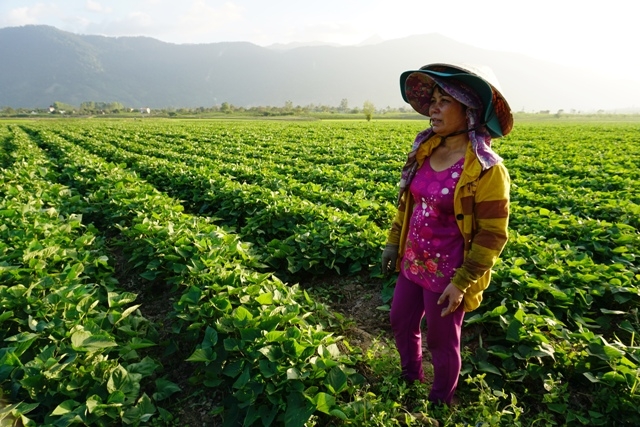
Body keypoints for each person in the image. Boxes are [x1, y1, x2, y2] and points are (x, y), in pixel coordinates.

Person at [381, 63, 513, 406]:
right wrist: (394, 242)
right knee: (399, 319)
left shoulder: (486, 168)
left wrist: (463, 281)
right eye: (433, 100)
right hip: (414, 262)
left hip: (448, 275)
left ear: (469, 111)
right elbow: (407, 204)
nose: (433, 108)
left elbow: (492, 234)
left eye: (444, 101)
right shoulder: (425, 150)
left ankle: (441, 401)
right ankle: (410, 378)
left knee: (442, 341)